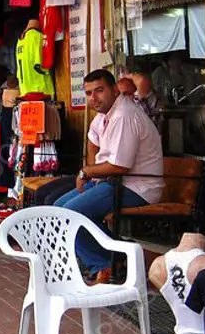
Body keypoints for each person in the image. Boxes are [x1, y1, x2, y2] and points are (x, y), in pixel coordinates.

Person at [54, 70, 164, 285]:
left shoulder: (124, 115)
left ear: (115, 90)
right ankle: (116, 257)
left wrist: (87, 172)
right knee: (58, 208)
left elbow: (119, 166)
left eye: (99, 90)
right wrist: (91, 173)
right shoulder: (109, 115)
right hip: (116, 183)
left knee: (68, 214)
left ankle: (103, 264)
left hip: (138, 186)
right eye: (88, 93)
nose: (93, 98)